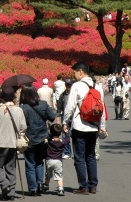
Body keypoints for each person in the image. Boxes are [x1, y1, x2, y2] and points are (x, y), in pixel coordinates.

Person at [62, 62, 106, 195]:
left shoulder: (76, 86)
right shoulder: (98, 87)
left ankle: (83, 186)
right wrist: (102, 127)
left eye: (75, 72)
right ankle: (93, 185)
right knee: (91, 155)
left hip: (79, 126)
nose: (74, 75)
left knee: (79, 157)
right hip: (93, 127)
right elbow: (102, 109)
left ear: (80, 72)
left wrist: (65, 122)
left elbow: (70, 107)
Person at [0, 87, 27, 201]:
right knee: (11, 168)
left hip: (0, 143)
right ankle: (10, 193)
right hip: (13, 143)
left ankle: (5, 185)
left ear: (2, 98)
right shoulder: (19, 110)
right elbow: (23, 127)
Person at [20, 85, 55, 196]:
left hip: (29, 138)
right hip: (42, 137)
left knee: (30, 163)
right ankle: (40, 183)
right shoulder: (43, 104)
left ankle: (33, 188)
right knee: (39, 162)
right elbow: (52, 117)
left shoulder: (23, 108)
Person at [42, 123, 70, 196]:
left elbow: (46, 137)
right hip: (58, 161)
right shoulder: (62, 141)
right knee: (59, 176)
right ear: (60, 133)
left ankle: (46, 186)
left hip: (49, 160)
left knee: (48, 174)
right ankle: (60, 189)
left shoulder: (49, 141)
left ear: (51, 132)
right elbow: (67, 139)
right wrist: (66, 133)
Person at [56, 78, 74, 159]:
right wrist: (58, 121)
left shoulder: (75, 95)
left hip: (74, 118)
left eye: (70, 85)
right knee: (65, 136)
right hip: (65, 119)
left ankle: (77, 153)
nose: (68, 87)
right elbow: (59, 109)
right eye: (67, 85)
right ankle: (67, 152)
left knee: (75, 136)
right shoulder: (62, 95)